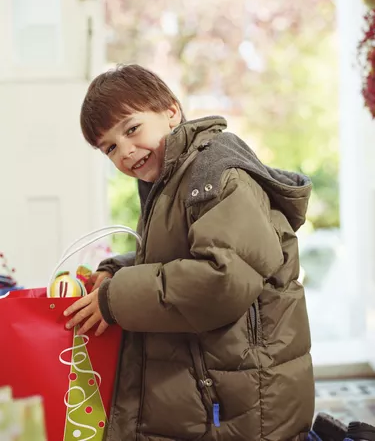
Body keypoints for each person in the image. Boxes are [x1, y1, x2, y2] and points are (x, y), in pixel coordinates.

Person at [63, 64, 315, 441]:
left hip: (244, 405)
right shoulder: (171, 179)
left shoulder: (216, 174)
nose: (126, 151)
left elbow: (222, 279)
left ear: (171, 111)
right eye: (110, 148)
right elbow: (177, 259)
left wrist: (116, 299)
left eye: (132, 129)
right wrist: (117, 271)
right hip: (214, 391)